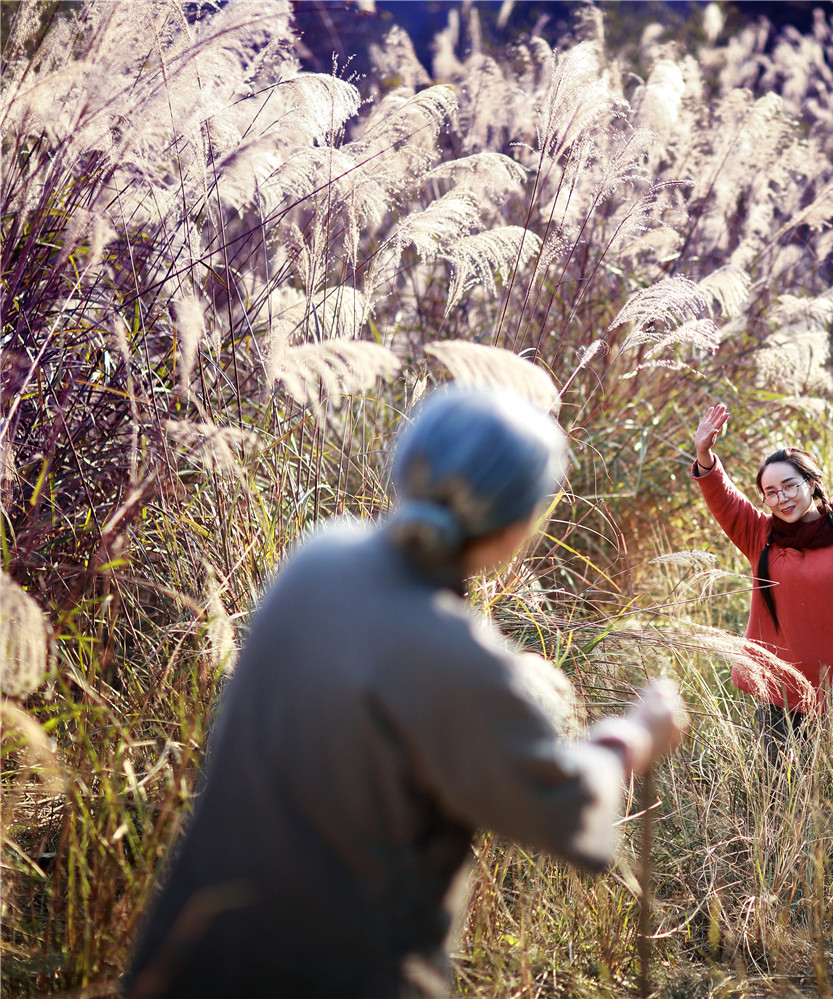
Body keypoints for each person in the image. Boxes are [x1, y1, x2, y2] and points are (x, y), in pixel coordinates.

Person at [126, 388, 687, 999]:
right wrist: (633, 735)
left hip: (192, 960)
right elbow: (565, 809)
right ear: (516, 526)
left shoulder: (319, 557)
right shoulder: (459, 656)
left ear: (407, 466)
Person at [691, 404, 833, 750]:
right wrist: (704, 455)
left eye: (789, 486)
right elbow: (726, 501)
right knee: (777, 794)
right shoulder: (761, 536)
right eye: (771, 492)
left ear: (811, 483)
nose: (781, 499)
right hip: (778, 698)